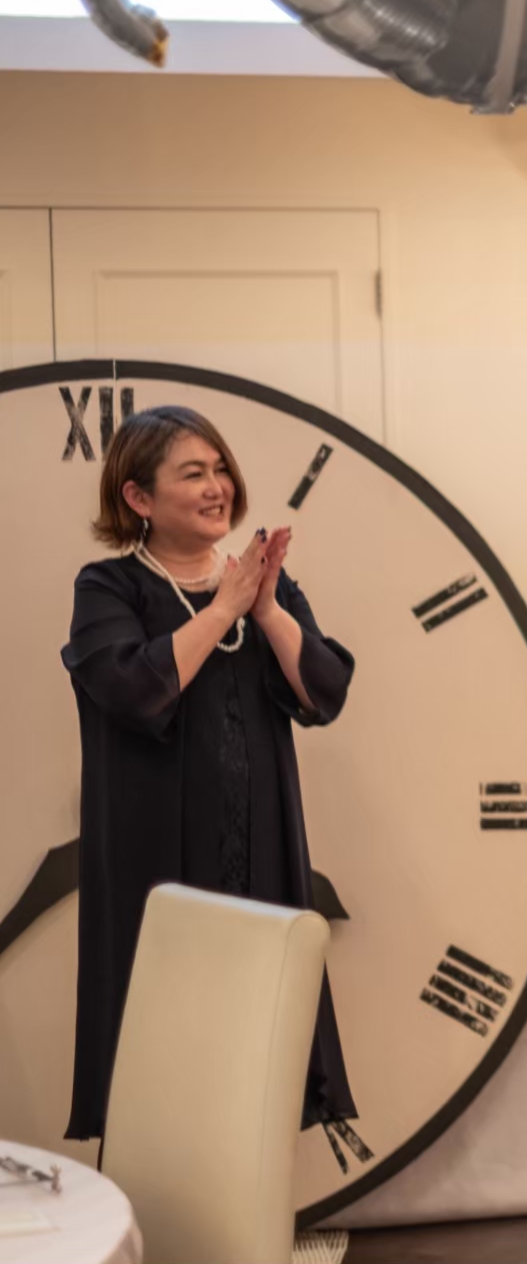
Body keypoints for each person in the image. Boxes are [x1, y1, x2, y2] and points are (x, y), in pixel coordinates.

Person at [63, 405, 356, 1142]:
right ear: (138, 496)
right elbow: (135, 689)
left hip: (258, 857)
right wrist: (224, 607)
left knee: (260, 1057)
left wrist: (267, 608)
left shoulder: (264, 585)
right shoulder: (109, 587)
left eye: (221, 468)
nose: (217, 486)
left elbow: (324, 691)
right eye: (193, 473)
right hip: (155, 867)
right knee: (163, 1063)